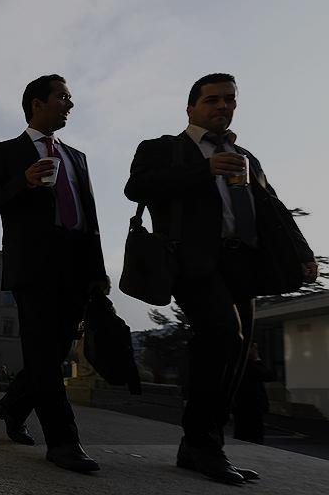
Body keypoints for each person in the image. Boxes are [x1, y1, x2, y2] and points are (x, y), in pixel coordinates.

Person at [124, 73, 317, 484]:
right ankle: (202, 443)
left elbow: (273, 207)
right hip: (192, 262)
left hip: (244, 262)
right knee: (224, 334)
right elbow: (136, 187)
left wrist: (302, 253)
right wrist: (204, 169)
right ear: (191, 107)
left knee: (238, 352)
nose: (223, 106)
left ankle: (201, 444)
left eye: (229, 100)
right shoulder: (163, 148)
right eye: (213, 100)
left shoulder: (246, 156)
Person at [0, 74, 108, 473]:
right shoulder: (3, 152)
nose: (70, 104)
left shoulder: (77, 158)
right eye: (63, 97)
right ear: (37, 103)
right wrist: (24, 181)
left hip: (76, 267)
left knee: (52, 353)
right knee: (41, 353)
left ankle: (12, 406)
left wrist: (98, 272)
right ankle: (64, 442)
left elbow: (89, 217)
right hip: (33, 266)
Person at [232, 342, 273, 444]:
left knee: (241, 434)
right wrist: (257, 359)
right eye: (255, 348)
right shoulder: (251, 365)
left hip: (240, 405)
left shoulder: (237, 364)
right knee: (254, 436)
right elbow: (268, 375)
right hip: (253, 405)